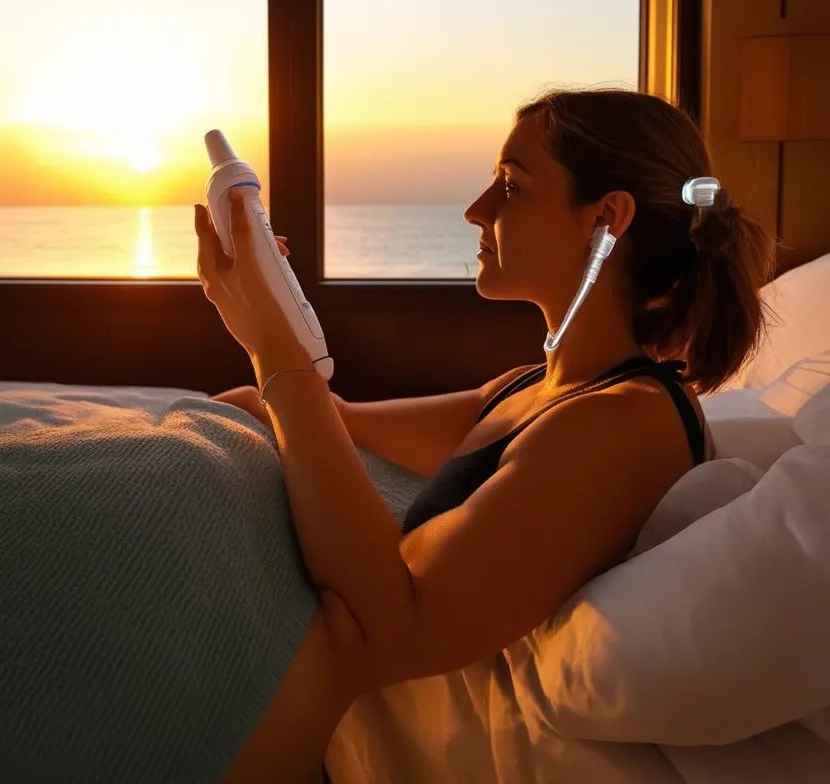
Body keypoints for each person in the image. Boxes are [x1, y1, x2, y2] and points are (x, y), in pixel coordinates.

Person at [196, 88, 777, 783]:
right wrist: (247, 358)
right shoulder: (525, 390)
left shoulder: (630, 420)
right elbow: (331, 421)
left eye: (511, 184)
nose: (477, 209)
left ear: (606, 218)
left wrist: (273, 350)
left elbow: (397, 625)